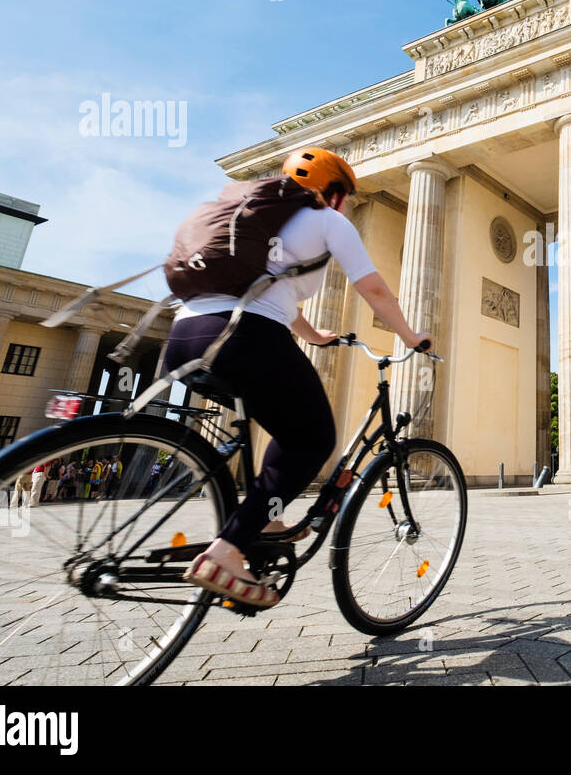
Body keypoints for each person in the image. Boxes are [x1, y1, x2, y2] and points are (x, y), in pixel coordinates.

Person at [164, 147, 431, 610]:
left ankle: (264, 520)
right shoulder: (327, 220)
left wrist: (312, 333)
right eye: (343, 195)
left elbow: (272, 288)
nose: (343, 203)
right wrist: (410, 336)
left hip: (187, 337)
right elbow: (373, 288)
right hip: (245, 337)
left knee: (287, 428)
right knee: (313, 438)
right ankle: (226, 555)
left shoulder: (256, 215)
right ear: (335, 193)